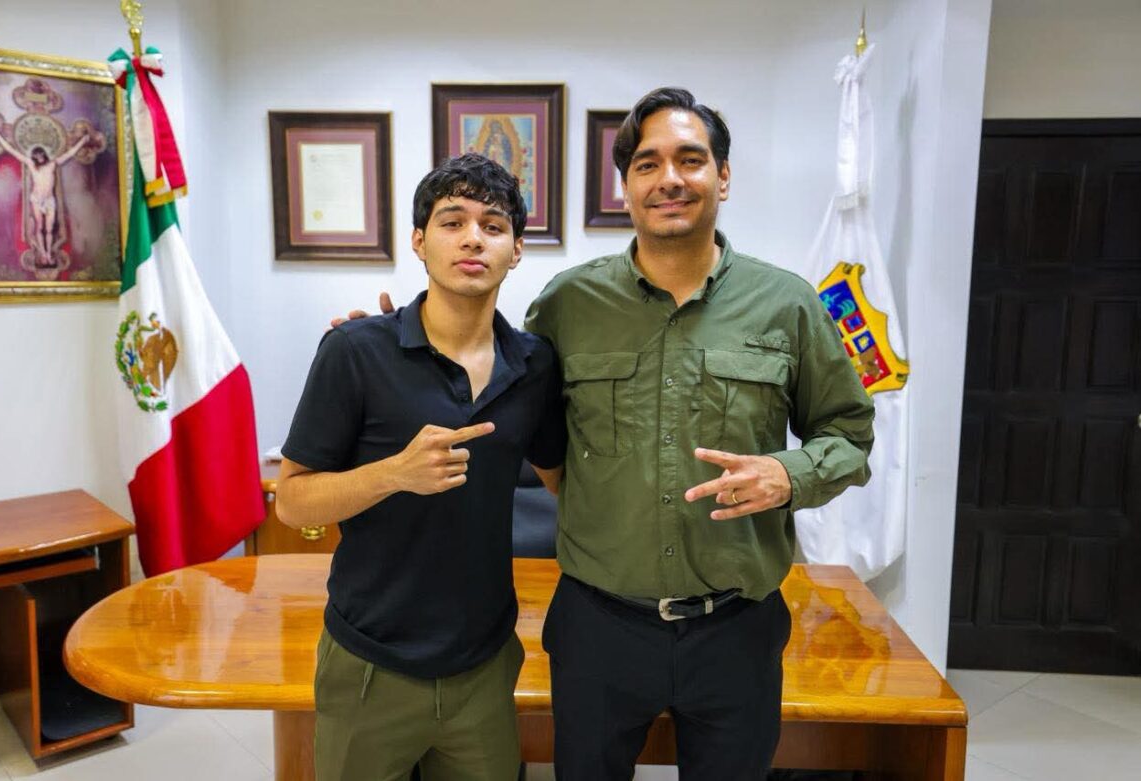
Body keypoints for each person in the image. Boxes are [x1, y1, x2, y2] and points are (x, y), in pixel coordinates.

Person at [341, 87, 875, 780]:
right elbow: (497, 382)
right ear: (626, 185)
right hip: (600, 629)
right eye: (648, 163)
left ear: (724, 176)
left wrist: (789, 475)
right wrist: (389, 344)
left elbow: (850, 433)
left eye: (691, 159)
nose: (671, 178)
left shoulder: (789, 303)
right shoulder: (569, 302)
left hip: (736, 629)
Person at [278, 153, 565, 781]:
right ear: (419, 241)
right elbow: (291, 501)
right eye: (452, 221)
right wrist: (393, 473)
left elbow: (562, 480)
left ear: (516, 250)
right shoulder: (355, 350)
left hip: (484, 665)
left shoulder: (535, 364)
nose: (472, 237)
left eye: (493, 225)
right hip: (370, 664)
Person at [0, 127, 89, 265]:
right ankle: (44, 254)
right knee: (39, 227)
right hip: (37, 199)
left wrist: (82, 141)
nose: (39, 157)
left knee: (49, 229)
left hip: (49, 200)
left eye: (41, 155)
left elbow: (70, 153)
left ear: (44, 155)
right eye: (37, 155)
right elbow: (12, 151)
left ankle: (48, 252)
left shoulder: (52, 164)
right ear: (34, 157)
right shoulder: (31, 165)